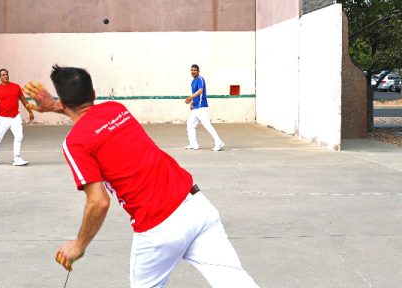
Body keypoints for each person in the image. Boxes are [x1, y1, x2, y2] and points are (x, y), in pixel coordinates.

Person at [23, 66, 259, 288]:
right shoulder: (116, 109)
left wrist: (79, 245)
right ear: (93, 93)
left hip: (158, 229)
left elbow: (99, 201)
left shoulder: (74, 143)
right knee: (236, 281)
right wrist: (55, 106)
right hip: (198, 208)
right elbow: (90, 117)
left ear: (64, 101)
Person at [0, 68, 34, 166]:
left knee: (19, 136)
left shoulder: (16, 87)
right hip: (3, 118)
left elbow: (24, 100)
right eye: (3, 75)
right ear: (0, 77)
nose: (6, 76)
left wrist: (30, 112)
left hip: (15, 117)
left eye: (7, 74)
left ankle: (17, 158)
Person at [185, 64, 224, 151]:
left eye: (195, 70)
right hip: (195, 108)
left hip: (202, 107)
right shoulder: (193, 82)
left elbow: (200, 90)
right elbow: (195, 93)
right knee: (190, 125)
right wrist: (192, 102)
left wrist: (190, 97)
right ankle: (194, 144)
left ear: (198, 71)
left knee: (207, 125)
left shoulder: (200, 79)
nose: (193, 72)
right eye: (192, 70)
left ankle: (219, 142)